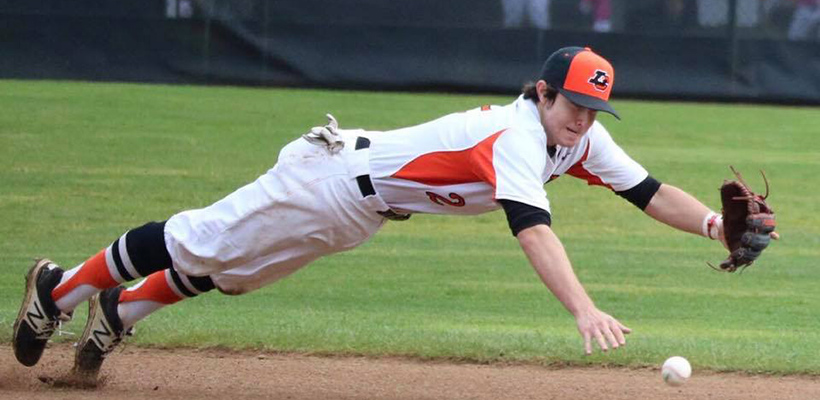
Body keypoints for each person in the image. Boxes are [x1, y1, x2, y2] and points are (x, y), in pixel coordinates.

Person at [14, 46, 736, 379]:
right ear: (543, 93)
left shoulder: (580, 138)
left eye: (594, 109)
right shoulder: (517, 135)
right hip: (329, 175)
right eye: (574, 104)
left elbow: (649, 192)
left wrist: (713, 224)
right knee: (196, 238)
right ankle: (58, 289)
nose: (583, 121)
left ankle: (119, 314)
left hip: (362, 211)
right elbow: (531, 227)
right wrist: (582, 307)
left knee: (233, 272)